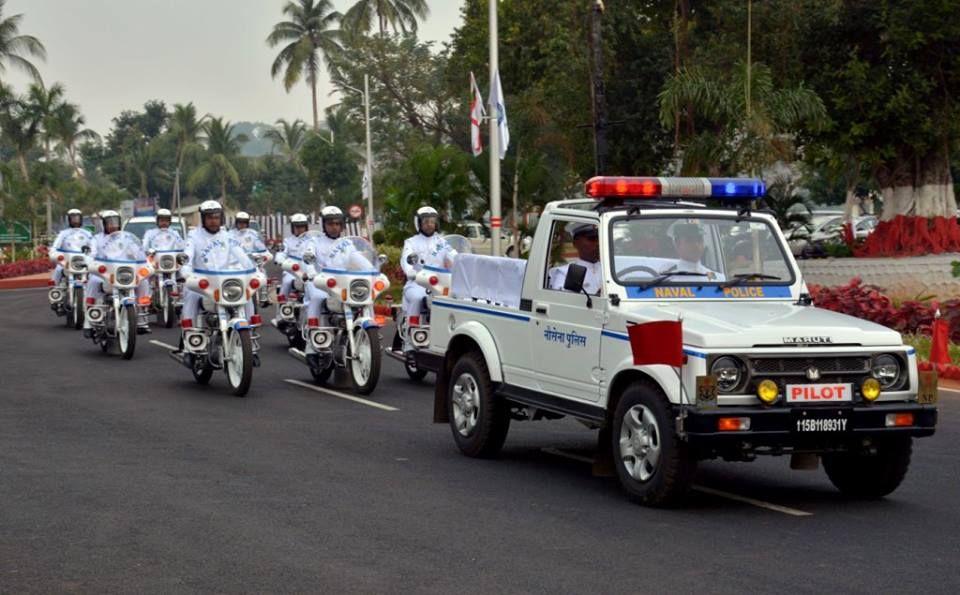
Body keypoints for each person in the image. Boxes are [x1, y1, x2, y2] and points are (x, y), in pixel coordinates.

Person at [176, 201, 255, 355]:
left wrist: (253, 270)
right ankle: (190, 343)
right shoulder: (194, 236)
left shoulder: (228, 236)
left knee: (247, 298)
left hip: (225, 284)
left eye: (216, 217)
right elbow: (187, 255)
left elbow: (242, 256)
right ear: (203, 219)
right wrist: (185, 272)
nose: (213, 220)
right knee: (191, 297)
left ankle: (249, 341)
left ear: (221, 218)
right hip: (201, 283)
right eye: (210, 217)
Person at [82, 210, 151, 336]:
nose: (113, 225)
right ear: (103, 224)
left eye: (115, 222)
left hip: (126, 273)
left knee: (144, 282)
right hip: (106, 273)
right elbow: (91, 254)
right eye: (109, 222)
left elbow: (138, 252)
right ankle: (89, 321)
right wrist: (90, 263)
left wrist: (145, 262)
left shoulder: (127, 237)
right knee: (92, 281)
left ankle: (141, 318)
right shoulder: (97, 239)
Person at [400, 207, 458, 336]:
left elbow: (454, 256)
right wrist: (410, 271)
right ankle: (411, 339)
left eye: (432, 221)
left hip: (440, 284)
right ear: (419, 223)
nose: (429, 225)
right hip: (417, 283)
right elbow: (406, 259)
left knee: (457, 299)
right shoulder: (411, 242)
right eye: (426, 222)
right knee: (417, 298)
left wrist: (462, 264)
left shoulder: (442, 243)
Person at [303, 206, 347, 328]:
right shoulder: (315, 242)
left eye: (338, 223)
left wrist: (373, 270)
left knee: (362, 297)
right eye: (330, 223)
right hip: (319, 282)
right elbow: (309, 258)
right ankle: (313, 334)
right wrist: (311, 271)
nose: (334, 227)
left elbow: (359, 259)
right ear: (324, 225)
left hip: (342, 282)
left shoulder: (347, 243)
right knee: (318, 297)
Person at [548, 222, 601, 294]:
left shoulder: (611, 270)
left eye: (599, 238)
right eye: (592, 239)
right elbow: (561, 301)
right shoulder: (565, 273)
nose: (598, 243)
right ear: (576, 243)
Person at [49, 208, 92, 286]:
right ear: (68, 220)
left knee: (94, 274)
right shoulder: (63, 234)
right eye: (73, 218)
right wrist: (53, 252)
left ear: (81, 219)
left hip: (83, 261)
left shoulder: (87, 233)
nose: (75, 221)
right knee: (58, 269)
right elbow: (55, 246)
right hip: (67, 261)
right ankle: (54, 290)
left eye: (77, 218)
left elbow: (93, 247)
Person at [273, 213, 310, 302]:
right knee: (286, 283)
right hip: (292, 271)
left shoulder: (313, 240)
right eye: (297, 227)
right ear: (293, 228)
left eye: (302, 226)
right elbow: (281, 252)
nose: (299, 229)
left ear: (306, 227)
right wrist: (279, 260)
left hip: (309, 271)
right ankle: (282, 309)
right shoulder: (287, 241)